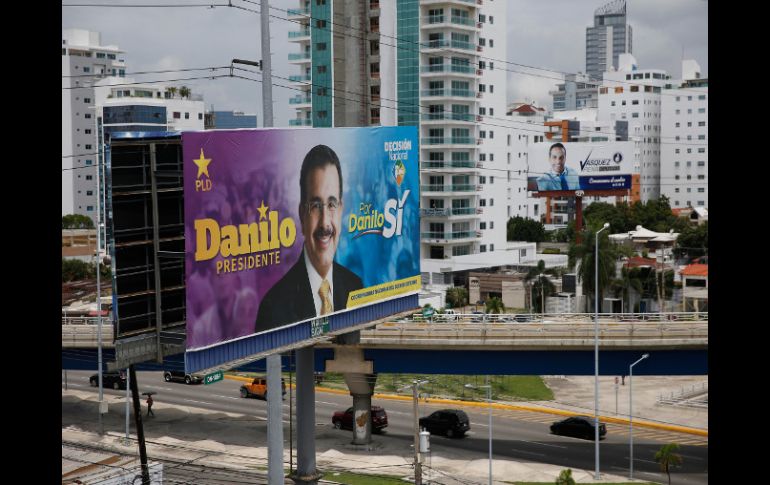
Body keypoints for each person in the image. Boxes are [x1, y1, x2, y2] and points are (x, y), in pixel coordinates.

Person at [255, 145, 363, 333]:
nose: (325, 224)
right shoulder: (274, 307)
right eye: (315, 205)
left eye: (331, 204)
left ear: (341, 209)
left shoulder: (355, 287)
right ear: (301, 214)